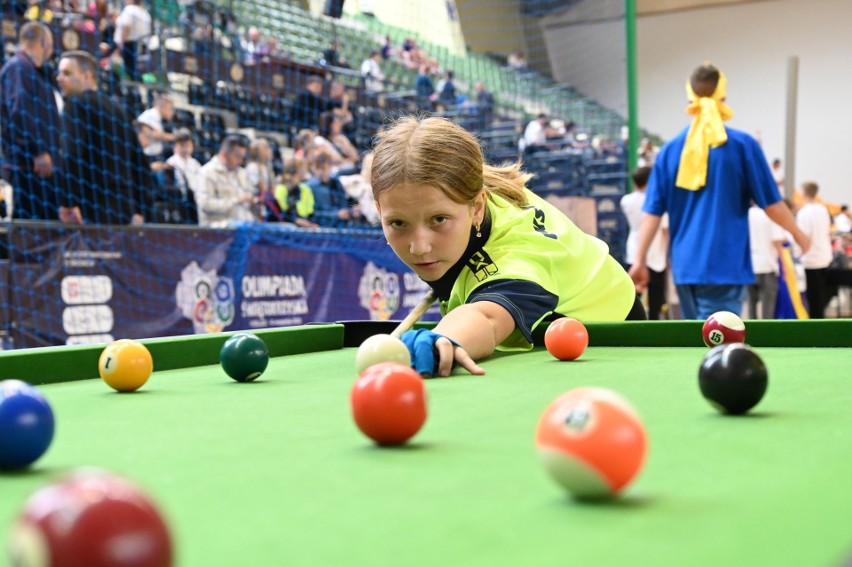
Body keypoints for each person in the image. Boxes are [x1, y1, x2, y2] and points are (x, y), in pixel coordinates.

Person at [371, 117, 643, 378]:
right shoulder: (466, 189)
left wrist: (445, 339)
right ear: (378, 211)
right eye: (398, 223)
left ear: (476, 207)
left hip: (608, 332)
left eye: (439, 220)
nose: (419, 247)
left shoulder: (518, 254)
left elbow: (487, 318)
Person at [628, 63, 810, 320]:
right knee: (718, 345)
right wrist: (799, 234)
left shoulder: (670, 151)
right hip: (723, 263)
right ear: (722, 96)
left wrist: (639, 260)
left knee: (695, 344)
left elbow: (652, 212)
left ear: (690, 97)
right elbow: (771, 203)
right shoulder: (742, 145)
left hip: (684, 267)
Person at [57, 50, 151, 225]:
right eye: (59, 73)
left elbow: (71, 155)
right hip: (123, 211)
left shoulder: (75, 104)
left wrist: (68, 202)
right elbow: (141, 165)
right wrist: (139, 210)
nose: (59, 78)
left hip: (90, 211)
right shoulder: (119, 110)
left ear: (87, 76)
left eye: (67, 73)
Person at [0, 21, 62, 220]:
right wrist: (38, 151)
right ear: (43, 42)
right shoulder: (19, 67)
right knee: (29, 233)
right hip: (29, 167)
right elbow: (20, 112)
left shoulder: (28, 70)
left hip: (36, 168)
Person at [621, 166, 668, 320]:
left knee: (632, 298)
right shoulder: (656, 201)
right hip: (656, 255)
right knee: (656, 301)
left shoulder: (626, 200)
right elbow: (665, 229)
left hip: (634, 253)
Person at [196, 135, 254, 228]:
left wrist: (254, 201)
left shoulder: (242, 173)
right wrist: (237, 200)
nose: (240, 161)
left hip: (243, 224)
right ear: (224, 154)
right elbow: (205, 204)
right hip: (216, 227)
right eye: (238, 156)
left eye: (242, 157)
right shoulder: (206, 172)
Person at [796, 181, 833, 319]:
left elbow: (804, 237)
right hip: (824, 256)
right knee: (820, 294)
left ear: (804, 193)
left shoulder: (804, 213)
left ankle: (816, 324)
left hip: (811, 258)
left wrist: (799, 255)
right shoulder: (823, 209)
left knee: (813, 297)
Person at [746, 203, 785, 319]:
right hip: (768, 264)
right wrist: (785, 265)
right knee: (768, 307)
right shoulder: (771, 214)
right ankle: (766, 334)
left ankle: (750, 333)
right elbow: (777, 241)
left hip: (750, 266)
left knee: (751, 305)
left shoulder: (746, 214)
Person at [114, 0, 151, 81]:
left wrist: (120, 44)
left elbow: (126, 27)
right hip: (140, 47)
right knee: (133, 72)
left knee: (128, 72)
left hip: (129, 46)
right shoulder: (145, 12)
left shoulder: (130, 9)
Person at [136, 92, 176, 161]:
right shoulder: (151, 114)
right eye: (170, 108)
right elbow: (150, 134)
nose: (172, 113)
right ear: (162, 105)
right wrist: (173, 137)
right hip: (147, 157)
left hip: (153, 157)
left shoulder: (157, 117)